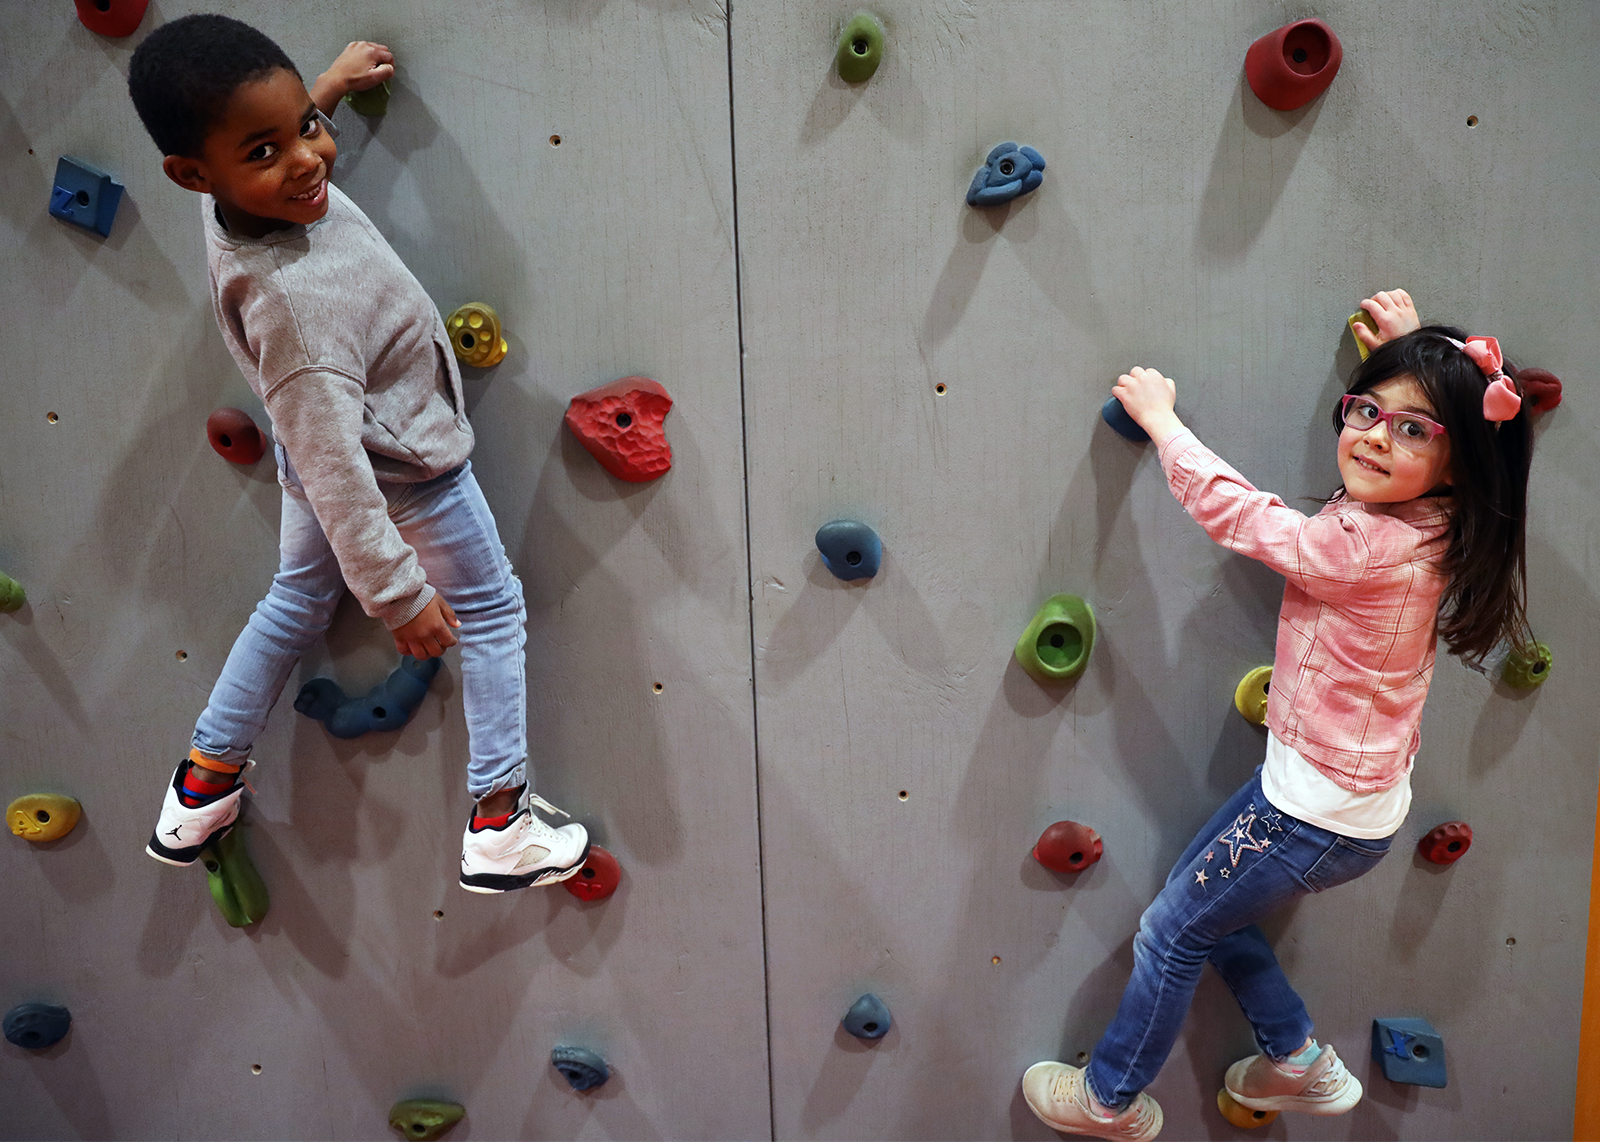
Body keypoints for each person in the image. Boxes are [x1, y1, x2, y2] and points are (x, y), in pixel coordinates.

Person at [1022, 289, 1536, 1139]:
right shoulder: (1447, 518)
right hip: (1342, 806)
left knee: (1168, 932)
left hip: (1308, 814)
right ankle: (1295, 1061)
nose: (1373, 435)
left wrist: (1162, 425)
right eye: (1368, 410)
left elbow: (1245, 517)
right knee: (1208, 914)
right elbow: (1435, 442)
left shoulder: (1364, 543)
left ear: (1459, 460)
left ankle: (1110, 1101)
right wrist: (1421, 369)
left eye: (1413, 430)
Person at [127, 14, 588, 893]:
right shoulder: (298, 315)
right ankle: (498, 825)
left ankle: (201, 788)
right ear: (193, 173)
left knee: (293, 602)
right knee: (489, 612)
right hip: (403, 476)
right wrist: (398, 593)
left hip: (334, 461)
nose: (306, 161)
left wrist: (326, 89)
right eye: (266, 151)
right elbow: (338, 473)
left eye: (304, 125)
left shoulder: (229, 203)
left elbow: (260, 143)